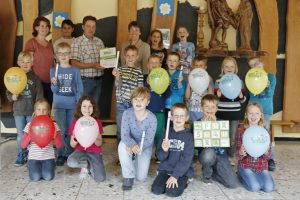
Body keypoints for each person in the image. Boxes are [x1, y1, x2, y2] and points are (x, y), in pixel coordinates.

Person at [6, 51, 43, 166]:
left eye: (28, 62)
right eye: (22, 62)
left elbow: (39, 96)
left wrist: (38, 111)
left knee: (32, 135)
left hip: (31, 112)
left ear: (32, 63)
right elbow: (8, 92)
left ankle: (32, 155)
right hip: (18, 112)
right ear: (18, 62)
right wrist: (12, 97)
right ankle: (21, 154)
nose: (25, 64)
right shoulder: (13, 77)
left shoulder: (35, 78)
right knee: (20, 135)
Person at [50, 42, 84, 166]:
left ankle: (69, 153)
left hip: (72, 105)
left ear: (70, 55)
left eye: (66, 53)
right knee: (61, 129)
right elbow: (54, 91)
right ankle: (60, 153)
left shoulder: (75, 70)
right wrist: (54, 83)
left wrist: (79, 103)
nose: (63, 56)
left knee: (71, 129)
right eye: (60, 53)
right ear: (56, 56)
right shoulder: (54, 70)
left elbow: (79, 87)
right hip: (59, 104)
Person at [151, 103, 194, 197]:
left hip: (182, 172)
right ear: (171, 117)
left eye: (182, 116)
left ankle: (184, 181)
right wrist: (164, 150)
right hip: (165, 169)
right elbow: (160, 157)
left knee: (172, 192)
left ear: (187, 118)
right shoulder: (165, 134)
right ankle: (168, 179)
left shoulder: (189, 136)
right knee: (156, 190)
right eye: (176, 116)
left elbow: (186, 160)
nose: (178, 119)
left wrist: (175, 176)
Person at [118, 87, 157, 190]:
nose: (138, 102)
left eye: (142, 99)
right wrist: (132, 145)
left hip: (144, 146)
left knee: (141, 177)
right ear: (131, 101)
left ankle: (133, 159)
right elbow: (125, 134)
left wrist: (138, 147)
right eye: (136, 99)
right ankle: (128, 177)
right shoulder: (127, 113)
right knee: (122, 145)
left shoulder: (152, 118)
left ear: (147, 102)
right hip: (130, 143)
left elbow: (149, 140)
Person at [197, 94, 239, 188]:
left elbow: (225, 143)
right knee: (208, 153)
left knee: (233, 184)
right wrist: (205, 127)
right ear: (201, 108)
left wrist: (215, 125)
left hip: (221, 155)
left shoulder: (221, 122)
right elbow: (197, 146)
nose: (210, 109)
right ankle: (207, 175)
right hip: (206, 155)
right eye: (207, 106)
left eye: (213, 107)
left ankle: (215, 174)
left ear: (216, 108)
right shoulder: (197, 123)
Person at [236, 102, 275, 192]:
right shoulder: (241, 131)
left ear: (261, 115)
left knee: (269, 188)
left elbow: (268, 155)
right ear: (246, 115)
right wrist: (241, 153)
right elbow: (237, 154)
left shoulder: (265, 132)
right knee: (255, 187)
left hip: (261, 166)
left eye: (257, 113)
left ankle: (255, 177)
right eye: (251, 113)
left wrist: (265, 153)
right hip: (246, 166)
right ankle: (240, 176)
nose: (253, 116)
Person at [21, 98, 62, 181]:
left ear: (48, 112)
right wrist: (30, 135)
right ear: (35, 112)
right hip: (34, 158)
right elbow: (23, 145)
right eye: (39, 109)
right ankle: (32, 166)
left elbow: (59, 145)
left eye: (44, 110)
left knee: (48, 177)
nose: (41, 112)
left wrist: (54, 137)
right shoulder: (29, 125)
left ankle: (50, 166)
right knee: (35, 178)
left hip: (48, 157)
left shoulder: (53, 125)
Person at [67, 96, 106, 182]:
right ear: (80, 107)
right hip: (81, 151)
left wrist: (94, 136)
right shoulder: (76, 122)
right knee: (71, 162)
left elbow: (99, 143)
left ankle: (91, 165)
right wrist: (75, 140)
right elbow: (72, 144)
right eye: (84, 106)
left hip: (94, 151)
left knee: (100, 178)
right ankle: (85, 166)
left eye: (90, 106)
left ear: (94, 108)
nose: (87, 109)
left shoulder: (97, 122)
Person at [215, 56, 246, 163]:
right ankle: (222, 158)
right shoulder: (218, 81)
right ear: (222, 68)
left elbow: (243, 101)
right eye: (226, 66)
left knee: (232, 138)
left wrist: (241, 95)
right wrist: (217, 96)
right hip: (221, 113)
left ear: (235, 68)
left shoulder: (239, 81)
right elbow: (214, 102)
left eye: (231, 66)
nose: (229, 68)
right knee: (222, 137)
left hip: (234, 114)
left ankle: (231, 157)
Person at [248, 56, 277, 171]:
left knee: (265, 134)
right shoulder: (250, 77)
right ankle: (253, 156)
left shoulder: (270, 77)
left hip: (265, 111)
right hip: (253, 110)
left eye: (257, 63)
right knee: (252, 133)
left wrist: (266, 86)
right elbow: (253, 95)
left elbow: (270, 94)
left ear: (262, 63)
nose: (255, 66)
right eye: (252, 65)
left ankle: (270, 158)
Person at [112, 45, 144, 144]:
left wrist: (138, 102)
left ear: (137, 57)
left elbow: (140, 88)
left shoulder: (138, 71)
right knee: (120, 129)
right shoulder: (120, 70)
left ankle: (130, 150)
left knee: (132, 129)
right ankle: (120, 151)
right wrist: (117, 77)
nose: (130, 58)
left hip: (132, 105)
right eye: (128, 55)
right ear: (124, 56)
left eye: (133, 55)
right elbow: (118, 85)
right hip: (121, 104)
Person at [71, 15, 104, 106]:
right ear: (83, 27)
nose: (91, 29)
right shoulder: (77, 42)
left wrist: (108, 63)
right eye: (88, 26)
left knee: (94, 107)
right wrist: (93, 65)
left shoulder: (99, 42)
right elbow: (74, 63)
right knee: (82, 108)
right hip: (84, 81)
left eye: (93, 26)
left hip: (99, 81)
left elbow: (104, 60)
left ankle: (92, 121)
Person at [24, 16, 55, 105]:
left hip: (50, 82)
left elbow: (52, 63)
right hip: (36, 82)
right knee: (38, 107)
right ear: (36, 28)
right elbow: (27, 63)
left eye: (47, 26)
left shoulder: (50, 45)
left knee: (48, 107)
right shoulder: (31, 43)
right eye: (42, 26)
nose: (45, 28)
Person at [144, 55, 169, 158]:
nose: (154, 64)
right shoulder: (144, 79)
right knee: (146, 133)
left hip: (160, 111)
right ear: (147, 65)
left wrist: (167, 86)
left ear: (160, 65)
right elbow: (142, 94)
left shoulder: (164, 78)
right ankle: (145, 153)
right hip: (147, 111)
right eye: (151, 62)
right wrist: (147, 85)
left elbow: (167, 95)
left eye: (156, 62)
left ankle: (159, 153)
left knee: (158, 133)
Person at [185, 55, 214, 124]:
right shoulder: (191, 78)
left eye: (201, 65)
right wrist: (189, 82)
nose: (198, 67)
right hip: (192, 112)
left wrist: (209, 83)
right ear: (193, 66)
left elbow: (211, 96)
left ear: (205, 67)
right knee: (192, 133)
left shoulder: (209, 78)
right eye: (196, 65)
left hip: (204, 114)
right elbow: (186, 97)